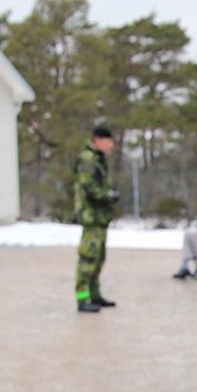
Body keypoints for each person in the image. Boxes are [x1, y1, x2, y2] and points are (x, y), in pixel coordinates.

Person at [73, 125, 118, 312]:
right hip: (91, 217)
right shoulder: (88, 160)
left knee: (98, 258)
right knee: (88, 259)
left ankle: (95, 295)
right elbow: (90, 188)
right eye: (108, 141)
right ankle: (82, 299)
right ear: (97, 140)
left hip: (99, 217)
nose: (111, 146)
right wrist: (109, 196)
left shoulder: (99, 159)